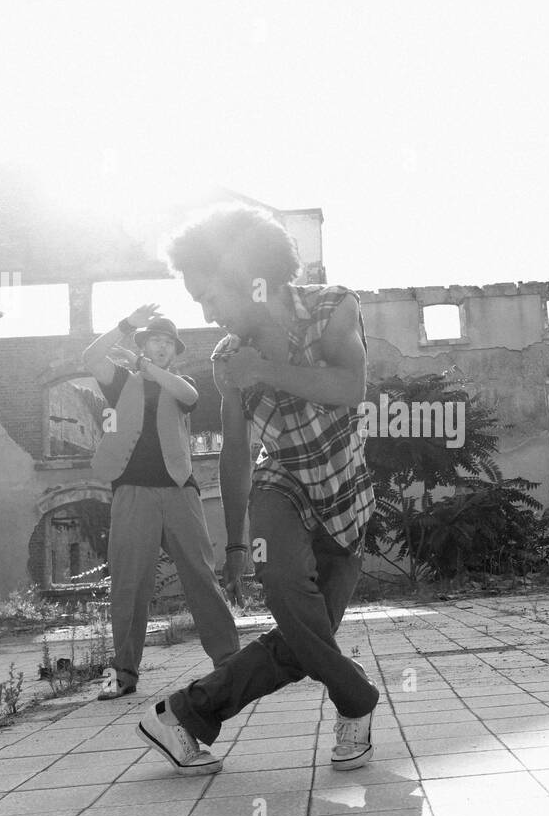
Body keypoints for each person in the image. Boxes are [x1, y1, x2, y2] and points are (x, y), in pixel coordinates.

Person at [136, 205, 379, 775]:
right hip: (283, 486)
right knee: (285, 586)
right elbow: (239, 449)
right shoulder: (225, 359)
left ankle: (182, 716)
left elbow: (350, 385)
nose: (206, 312)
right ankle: (358, 700)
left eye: (209, 296)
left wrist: (264, 372)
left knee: (301, 642)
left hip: (347, 500)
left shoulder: (333, 309)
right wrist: (239, 544)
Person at [81, 307, 240, 700]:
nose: (162, 346)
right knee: (128, 583)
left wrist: (148, 366)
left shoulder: (178, 383)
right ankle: (121, 673)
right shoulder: (121, 382)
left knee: (201, 576)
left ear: (174, 352)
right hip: (131, 491)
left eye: (168, 343)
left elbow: (190, 395)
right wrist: (126, 323)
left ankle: (231, 662)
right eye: (155, 340)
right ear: (143, 343)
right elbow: (89, 358)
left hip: (179, 490)